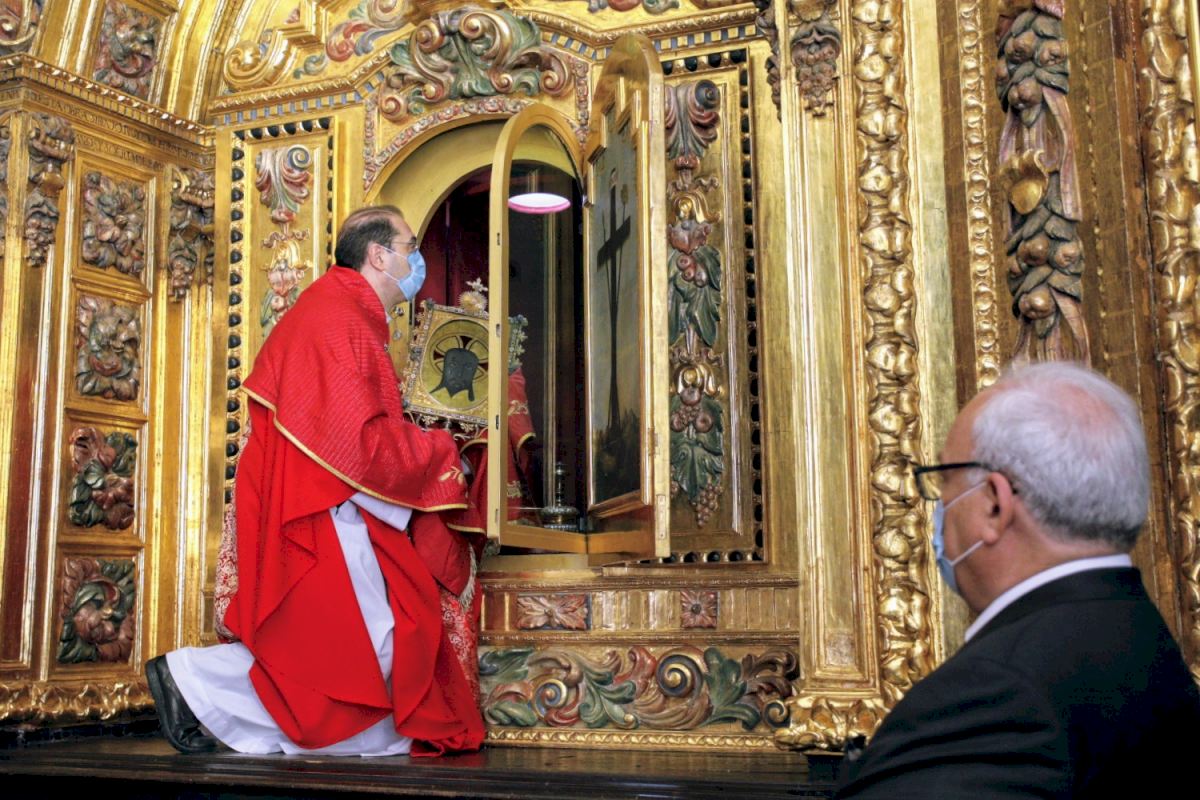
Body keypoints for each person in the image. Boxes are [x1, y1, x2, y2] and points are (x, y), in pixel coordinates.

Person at [145, 205, 485, 757]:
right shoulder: (338, 316)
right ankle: (191, 681)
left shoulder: (342, 310)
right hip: (319, 505)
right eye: (410, 247)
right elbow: (356, 444)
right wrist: (438, 452)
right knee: (359, 644)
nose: (417, 260)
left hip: (322, 498)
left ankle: (198, 692)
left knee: (346, 644)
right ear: (379, 256)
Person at [835, 362, 1200, 799]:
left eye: (944, 482)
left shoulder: (996, 694)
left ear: (994, 504)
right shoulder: (1136, 632)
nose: (939, 506)